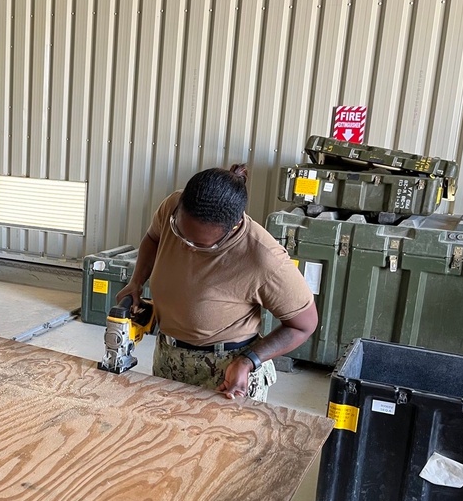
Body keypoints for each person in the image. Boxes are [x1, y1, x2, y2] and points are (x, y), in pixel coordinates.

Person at [116, 165, 317, 401]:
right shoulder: (171, 207)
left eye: (200, 245)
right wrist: (136, 282)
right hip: (167, 357)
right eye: (179, 232)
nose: (185, 246)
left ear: (232, 228)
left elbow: (303, 325)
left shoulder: (264, 259)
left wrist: (249, 361)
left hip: (228, 374)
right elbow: (152, 237)